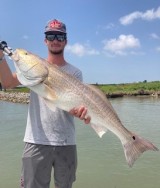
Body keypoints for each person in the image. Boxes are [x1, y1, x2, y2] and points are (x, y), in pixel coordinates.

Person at [0, 19, 91, 188]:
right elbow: (6, 82)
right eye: (50, 36)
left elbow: (74, 106)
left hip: (66, 142)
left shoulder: (76, 73)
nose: (55, 40)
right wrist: (0, 58)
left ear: (66, 40)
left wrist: (82, 113)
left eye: (59, 36)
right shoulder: (32, 70)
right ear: (45, 40)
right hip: (35, 141)